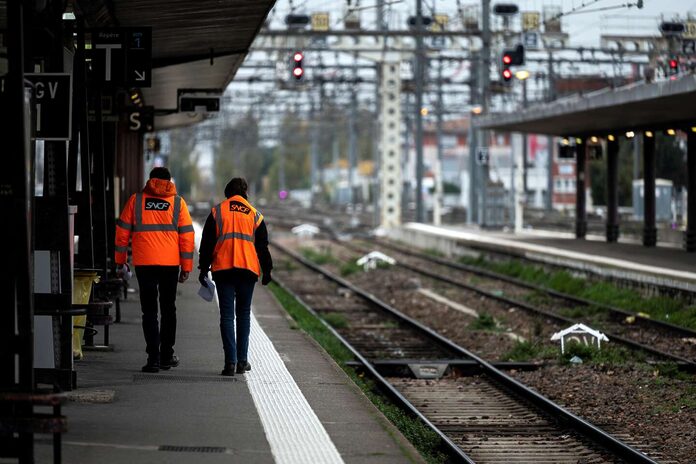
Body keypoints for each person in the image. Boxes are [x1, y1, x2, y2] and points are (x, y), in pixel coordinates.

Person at [115, 167, 195, 373]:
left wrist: (120, 261)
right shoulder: (178, 203)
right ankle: (167, 356)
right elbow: (187, 237)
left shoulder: (136, 200)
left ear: (150, 180)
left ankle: (153, 358)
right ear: (169, 181)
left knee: (149, 310)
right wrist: (186, 267)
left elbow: (122, 232)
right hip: (169, 265)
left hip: (145, 264)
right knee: (168, 308)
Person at [198, 177, 273, 376]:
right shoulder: (255, 215)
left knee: (227, 316)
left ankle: (230, 363)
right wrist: (268, 271)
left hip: (223, 269)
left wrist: (203, 269)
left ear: (227, 192)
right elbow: (262, 247)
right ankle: (242, 361)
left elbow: (206, 244)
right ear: (245, 192)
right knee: (243, 315)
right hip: (247, 270)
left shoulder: (217, 212)